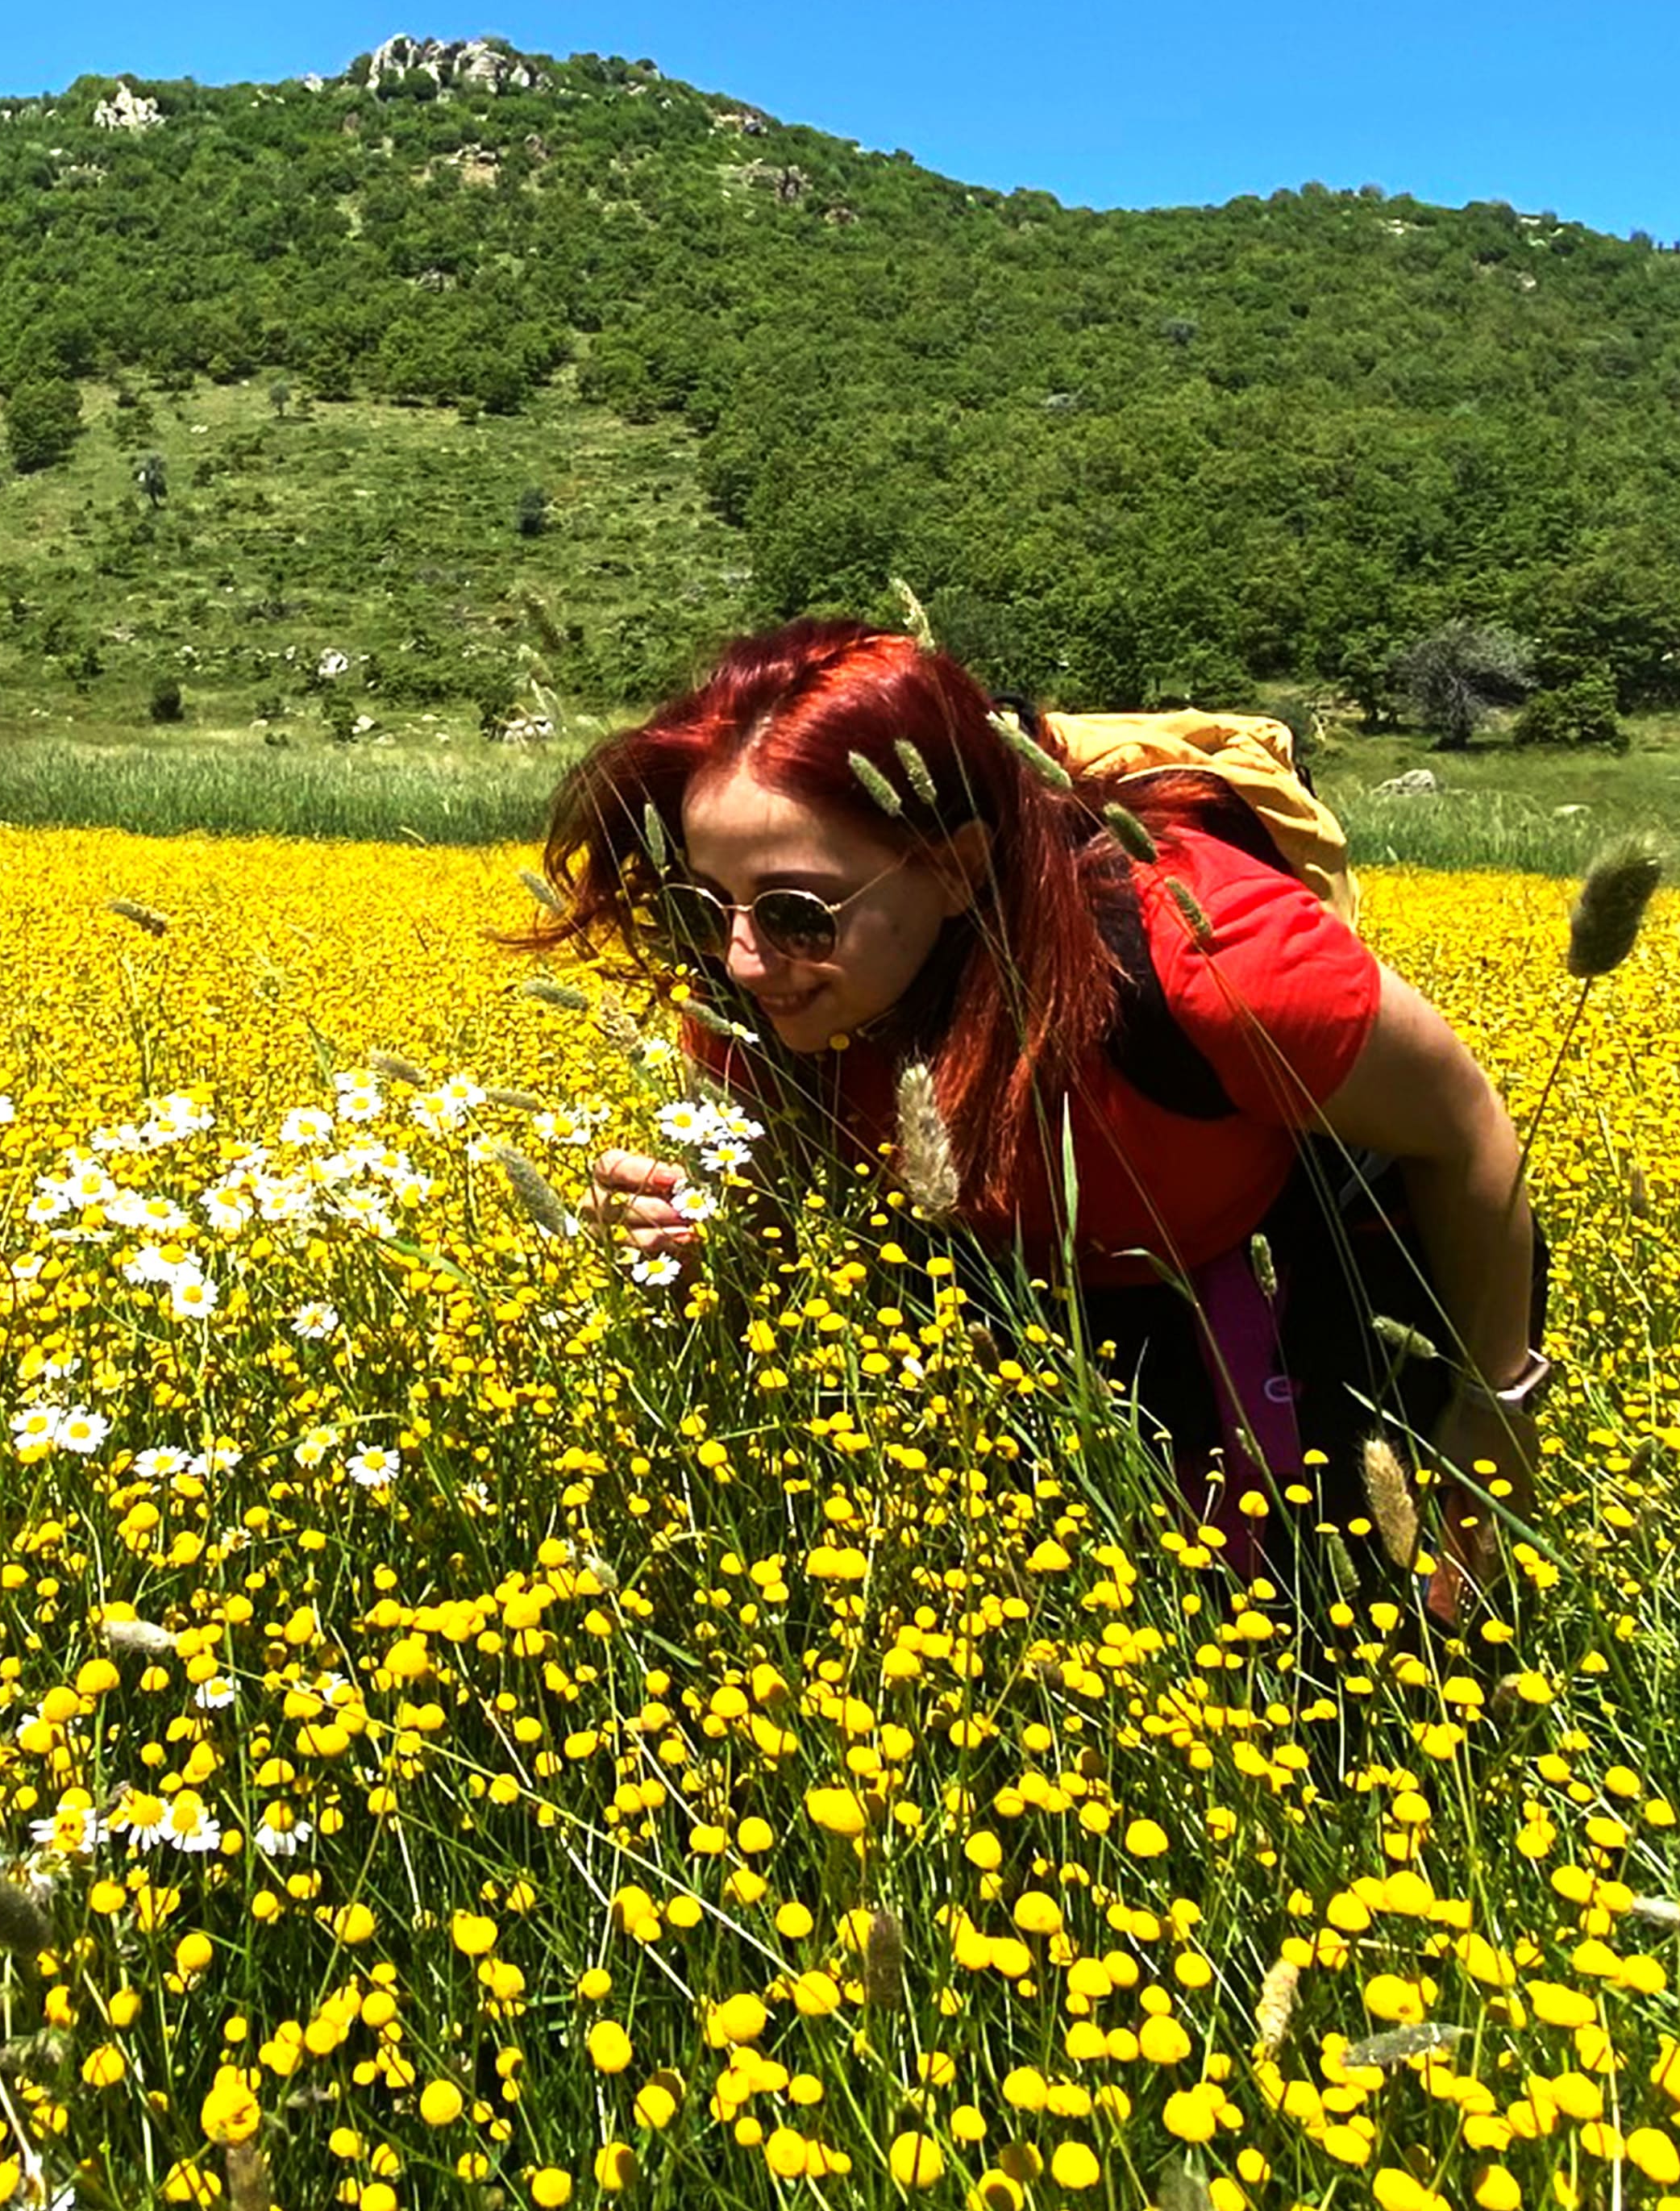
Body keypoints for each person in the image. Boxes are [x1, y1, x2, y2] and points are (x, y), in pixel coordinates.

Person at [534, 619, 1545, 1630]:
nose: (748, 961)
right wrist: (693, 1249)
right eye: (710, 910)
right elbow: (788, 1233)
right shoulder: (753, 1000)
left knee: (1375, 1628)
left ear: (958, 866)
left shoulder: (1213, 956)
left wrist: (1494, 1411)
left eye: (801, 910)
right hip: (1038, 1298)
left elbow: (1468, 1137)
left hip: (1312, 1260)